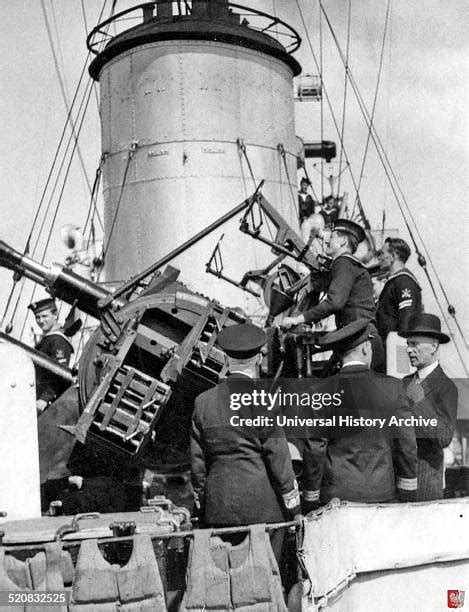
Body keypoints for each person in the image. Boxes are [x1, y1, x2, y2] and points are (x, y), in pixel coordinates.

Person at [190, 323, 301, 561]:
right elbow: (279, 461)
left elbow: (198, 465)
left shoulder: (203, 402)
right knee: (267, 580)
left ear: (227, 360)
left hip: (218, 510)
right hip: (263, 510)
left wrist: (203, 504)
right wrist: (294, 509)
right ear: (258, 360)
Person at [301, 319, 418, 511]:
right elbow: (406, 444)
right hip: (383, 496)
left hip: (337, 500)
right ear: (365, 348)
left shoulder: (319, 392)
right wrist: (407, 492)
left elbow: (315, 451)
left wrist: (310, 498)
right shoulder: (394, 388)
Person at [281, 219, 385, 371]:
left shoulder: (343, 263)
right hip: (358, 338)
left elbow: (335, 302)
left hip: (361, 343)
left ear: (343, 240)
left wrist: (299, 318)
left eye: (333, 236)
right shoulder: (349, 265)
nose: (327, 239)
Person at [399, 313, 458, 501]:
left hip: (426, 485)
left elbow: (444, 437)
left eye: (414, 344)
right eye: (408, 344)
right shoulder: (404, 382)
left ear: (433, 346)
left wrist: (419, 402)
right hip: (400, 482)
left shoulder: (446, 386)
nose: (409, 350)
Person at [29, 298, 73, 414]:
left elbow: (60, 374)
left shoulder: (58, 341)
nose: (40, 321)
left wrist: (45, 399)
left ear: (55, 314)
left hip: (44, 404)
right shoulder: (48, 340)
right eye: (37, 317)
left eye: (44, 316)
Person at [376, 237, 422, 343]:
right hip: (386, 346)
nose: (379, 258)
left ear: (394, 256)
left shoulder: (404, 280)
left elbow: (407, 318)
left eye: (382, 253)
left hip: (396, 350)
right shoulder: (394, 281)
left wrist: (401, 353)